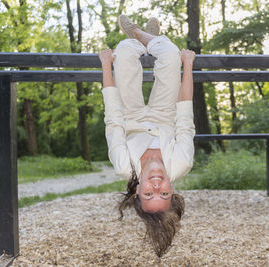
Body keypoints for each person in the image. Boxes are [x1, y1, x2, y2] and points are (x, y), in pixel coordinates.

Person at [99, 14, 195, 257]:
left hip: (131, 115)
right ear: (172, 189)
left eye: (148, 193)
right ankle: (143, 35)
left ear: (136, 191)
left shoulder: (125, 166)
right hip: (165, 115)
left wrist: (106, 66)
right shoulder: (182, 163)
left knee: (124, 52)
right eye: (163, 193)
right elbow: (185, 116)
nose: (155, 185)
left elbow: (113, 119)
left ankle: (137, 37)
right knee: (171, 55)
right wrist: (188, 65)